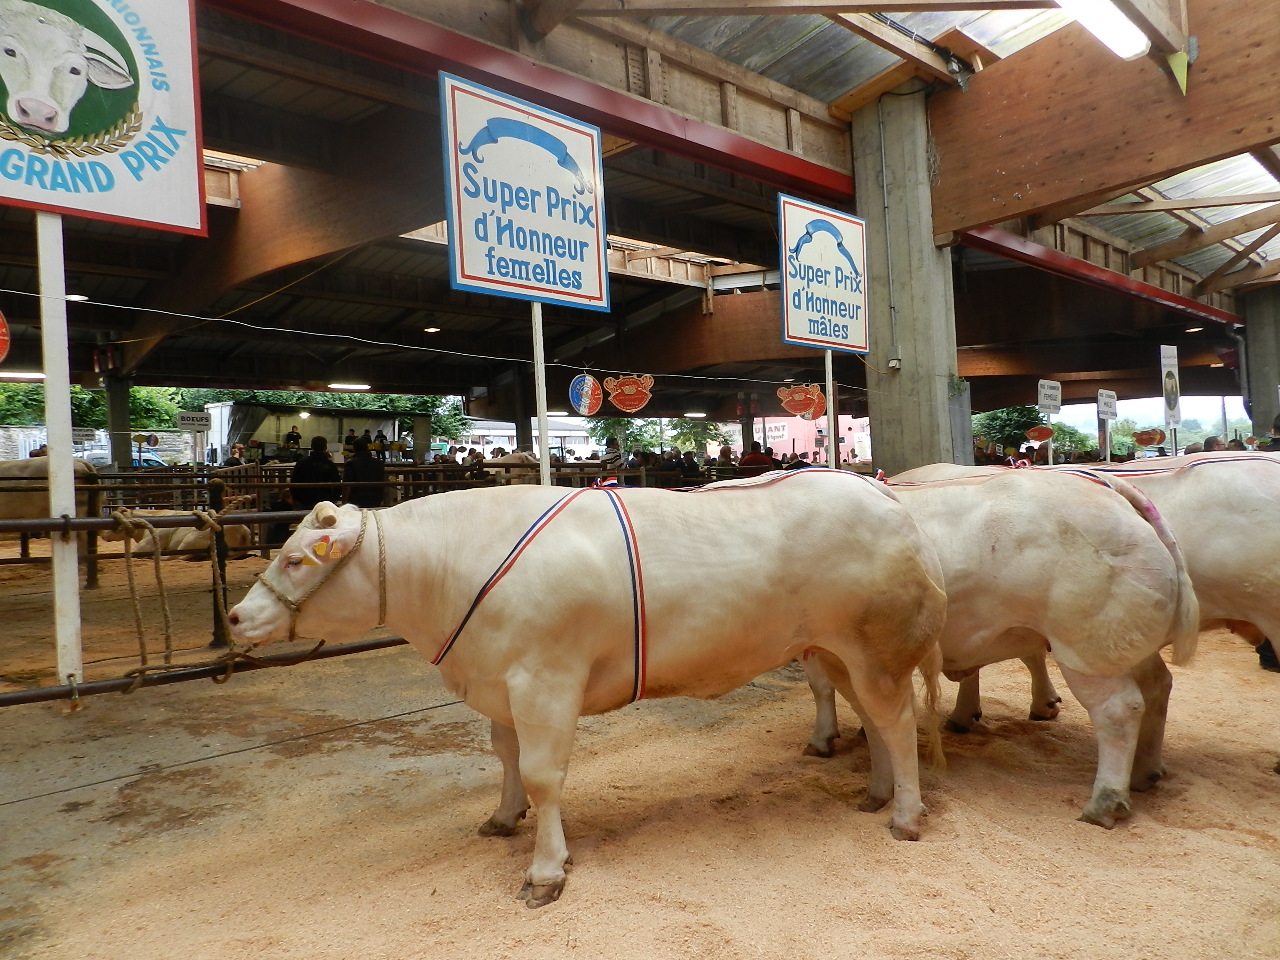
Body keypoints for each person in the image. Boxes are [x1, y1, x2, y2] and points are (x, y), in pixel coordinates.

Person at [291, 436, 341, 509]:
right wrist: (333, 499)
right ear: (325, 447)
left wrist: (297, 498)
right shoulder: (330, 465)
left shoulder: (301, 462)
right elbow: (337, 484)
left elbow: (294, 482)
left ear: (311, 446)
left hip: (304, 500)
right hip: (325, 501)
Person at [343, 437, 385, 508]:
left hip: (356, 501)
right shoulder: (379, 463)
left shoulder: (351, 463)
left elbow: (347, 486)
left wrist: (344, 502)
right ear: (367, 447)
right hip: (376, 499)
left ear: (354, 448)